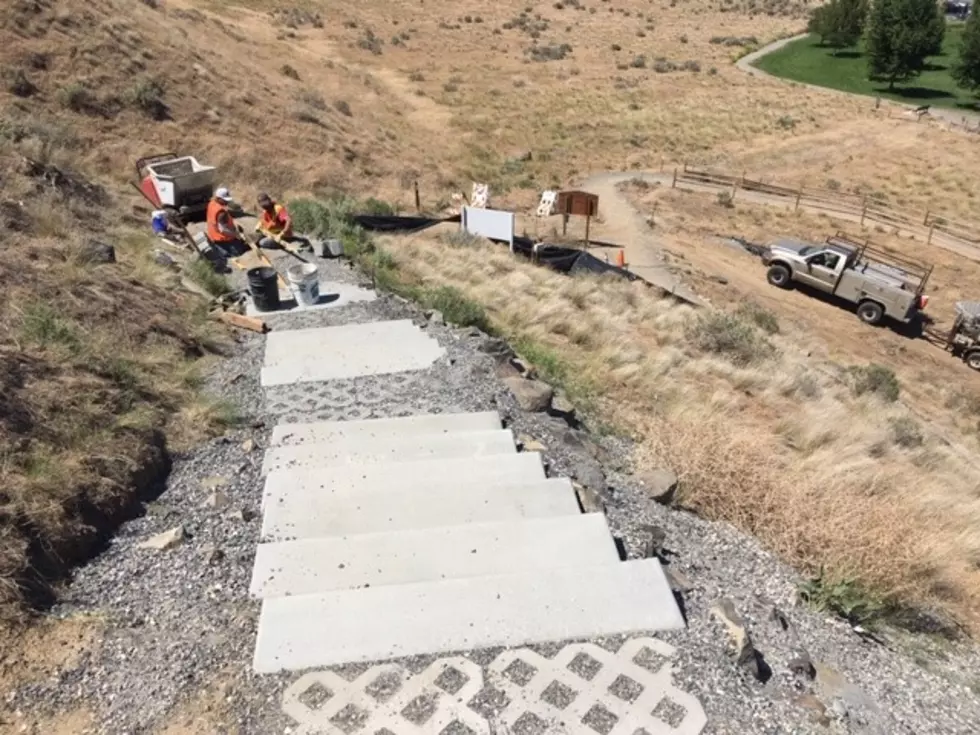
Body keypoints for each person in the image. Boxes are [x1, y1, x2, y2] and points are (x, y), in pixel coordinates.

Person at [206, 187, 248, 257]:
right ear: (218, 198)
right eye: (224, 200)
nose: (227, 202)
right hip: (225, 240)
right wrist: (236, 235)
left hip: (215, 238)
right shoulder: (221, 212)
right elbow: (223, 230)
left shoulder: (211, 204)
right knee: (239, 252)